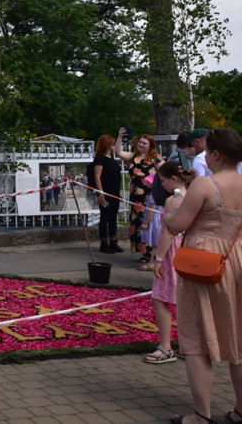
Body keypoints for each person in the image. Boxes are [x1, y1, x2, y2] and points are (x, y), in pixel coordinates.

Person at [162, 128, 242, 424]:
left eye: (207, 151)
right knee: (239, 340)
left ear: (217, 154)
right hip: (237, 260)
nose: (204, 155)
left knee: (196, 339)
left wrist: (167, 216)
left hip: (204, 263)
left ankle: (200, 416)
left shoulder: (206, 184)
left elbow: (178, 224)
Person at [144, 161, 186, 366]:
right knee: (187, 300)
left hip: (171, 253)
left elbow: (170, 233)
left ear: (174, 179)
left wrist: (157, 260)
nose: (162, 185)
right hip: (188, 251)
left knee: (160, 297)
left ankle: (165, 346)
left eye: (162, 181)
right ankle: (190, 345)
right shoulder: (194, 197)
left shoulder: (173, 200)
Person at [115, 128, 163, 265]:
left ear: (150, 146)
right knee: (137, 223)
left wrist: (152, 180)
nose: (141, 145)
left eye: (145, 143)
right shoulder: (133, 157)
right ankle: (143, 252)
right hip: (135, 196)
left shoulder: (156, 158)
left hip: (150, 196)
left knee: (150, 223)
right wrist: (119, 137)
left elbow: (164, 173)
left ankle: (151, 252)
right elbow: (118, 152)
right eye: (140, 142)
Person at [89, 135, 123, 254]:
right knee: (105, 217)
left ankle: (113, 240)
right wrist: (101, 192)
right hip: (106, 191)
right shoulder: (100, 158)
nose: (114, 145)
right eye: (113, 143)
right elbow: (97, 176)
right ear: (108, 145)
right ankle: (104, 242)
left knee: (113, 216)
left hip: (114, 192)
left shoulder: (111, 158)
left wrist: (118, 192)